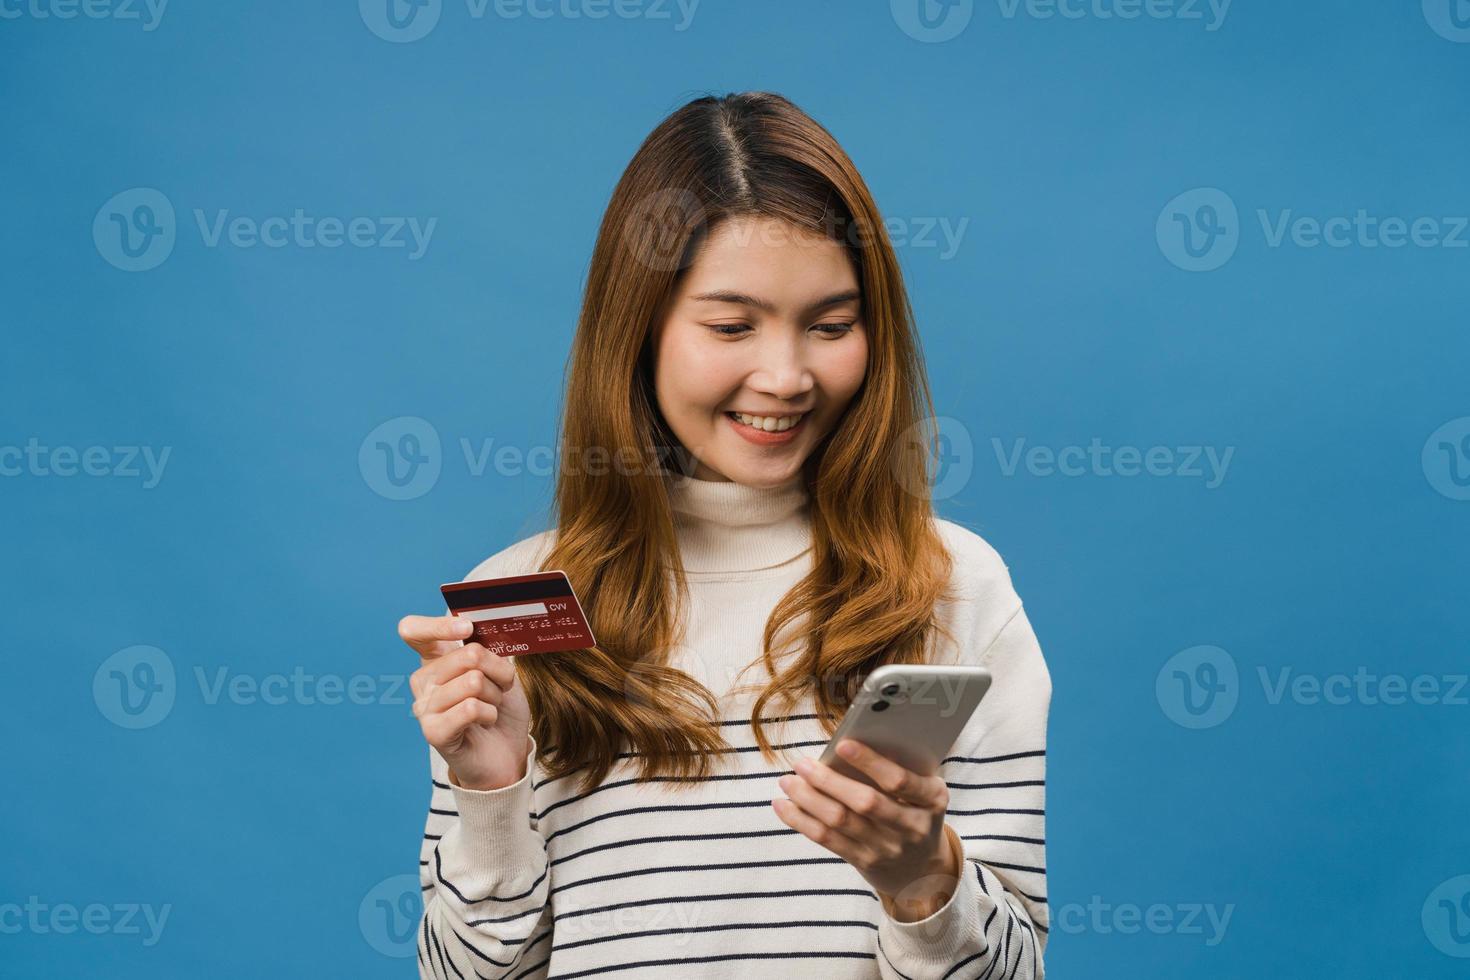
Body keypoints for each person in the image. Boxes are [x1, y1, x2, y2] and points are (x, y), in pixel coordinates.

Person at [397, 90, 1051, 979]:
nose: (785, 377)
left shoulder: (952, 587)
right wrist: (492, 792)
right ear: (641, 329)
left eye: (831, 325)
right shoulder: (522, 604)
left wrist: (922, 884)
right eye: (732, 326)